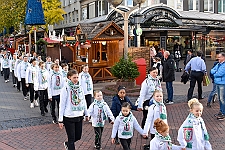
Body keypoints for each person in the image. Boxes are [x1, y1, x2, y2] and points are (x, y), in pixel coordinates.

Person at [58, 69, 88, 150]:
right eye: (74, 77)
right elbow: (62, 104)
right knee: (71, 138)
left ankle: (67, 144)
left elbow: (83, 100)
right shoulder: (66, 88)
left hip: (79, 115)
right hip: (69, 116)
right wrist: (60, 120)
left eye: (77, 77)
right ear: (69, 77)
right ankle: (70, 145)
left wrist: (86, 113)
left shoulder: (80, 87)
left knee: (78, 136)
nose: (76, 79)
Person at [211, 52, 225, 120]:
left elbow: (220, 73)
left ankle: (223, 113)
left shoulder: (224, 65)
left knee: (222, 99)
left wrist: (215, 73)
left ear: (223, 57)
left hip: (222, 83)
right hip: (218, 82)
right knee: (220, 98)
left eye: (219, 57)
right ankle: (221, 111)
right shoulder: (218, 64)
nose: (218, 58)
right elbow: (212, 70)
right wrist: (215, 72)